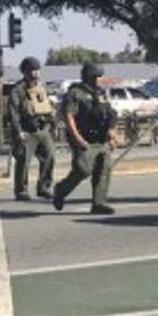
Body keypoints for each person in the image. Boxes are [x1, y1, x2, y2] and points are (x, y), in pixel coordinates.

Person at [53, 63, 117, 215]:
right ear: (87, 77)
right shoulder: (75, 93)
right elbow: (69, 116)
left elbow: (111, 114)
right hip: (84, 138)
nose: (98, 80)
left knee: (103, 170)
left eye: (99, 77)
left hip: (101, 139)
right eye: (95, 77)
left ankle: (99, 203)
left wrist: (112, 132)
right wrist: (77, 138)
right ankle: (60, 190)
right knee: (83, 170)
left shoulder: (101, 93)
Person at [9, 56, 56, 202]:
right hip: (26, 130)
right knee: (23, 161)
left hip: (43, 129)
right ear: (24, 72)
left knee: (50, 156)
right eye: (31, 70)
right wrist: (18, 131)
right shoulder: (18, 90)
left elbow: (49, 106)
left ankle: (44, 187)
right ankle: (21, 190)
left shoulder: (42, 88)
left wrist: (52, 124)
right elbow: (13, 112)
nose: (35, 73)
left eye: (37, 70)